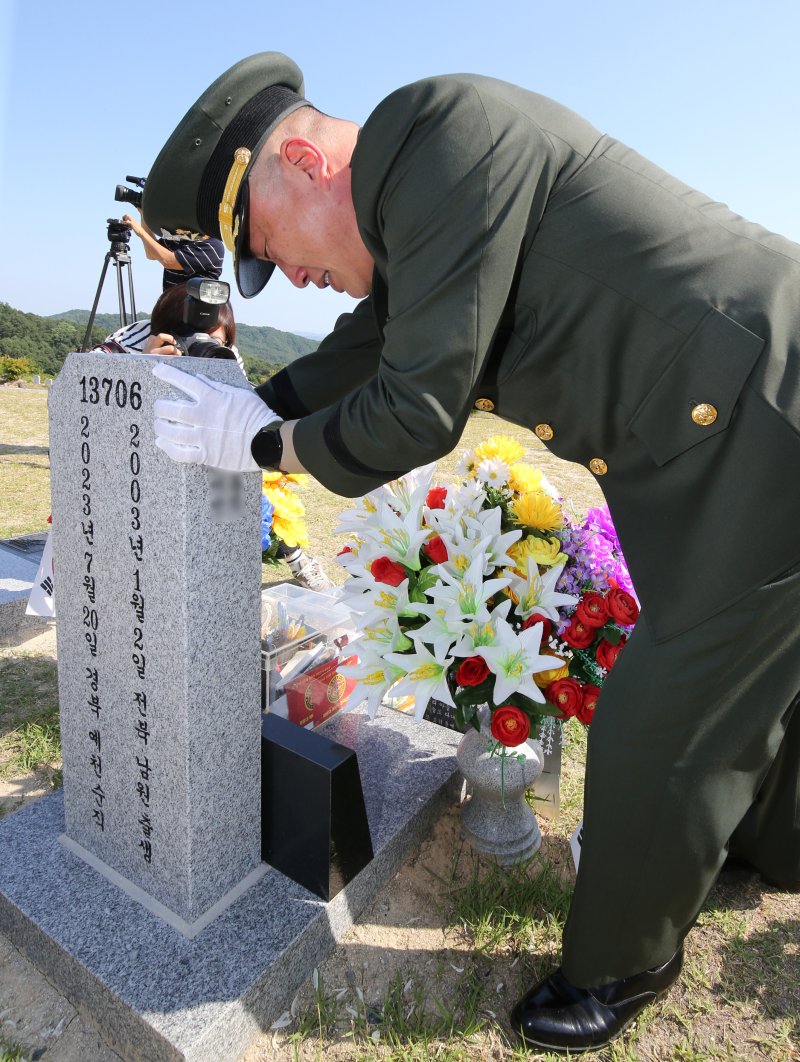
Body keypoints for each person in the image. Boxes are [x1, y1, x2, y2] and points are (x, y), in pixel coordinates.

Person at [140, 53, 800, 1053]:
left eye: (269, 245)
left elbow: (416, 404)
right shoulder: (423, 197)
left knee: (668, 711)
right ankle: (769, 841)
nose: (293, 279)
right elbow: (372, 344)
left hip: (758, 416)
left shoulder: (437, 130)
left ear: (306, 162)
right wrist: (260, 399)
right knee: (743, 673)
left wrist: (264, 445)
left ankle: (626, 960)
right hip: (706, 439)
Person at [95, 279, 334, 593]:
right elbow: (85, 410)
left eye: (215, 340)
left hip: (199, 446)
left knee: (261, 494)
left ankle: (293, 559)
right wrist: (141, 368)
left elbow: (241, 410)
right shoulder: (130, 342)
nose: (204, 348)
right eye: (193, 340)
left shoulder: (224, 354)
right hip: (132, 460)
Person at [121, 210, 224, 291]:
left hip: (198, 312)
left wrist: (141, 232)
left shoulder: (213, 245)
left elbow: (169, 261)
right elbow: (151, 254)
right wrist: (143, 213)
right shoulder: (183, 238)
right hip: (171, 308)